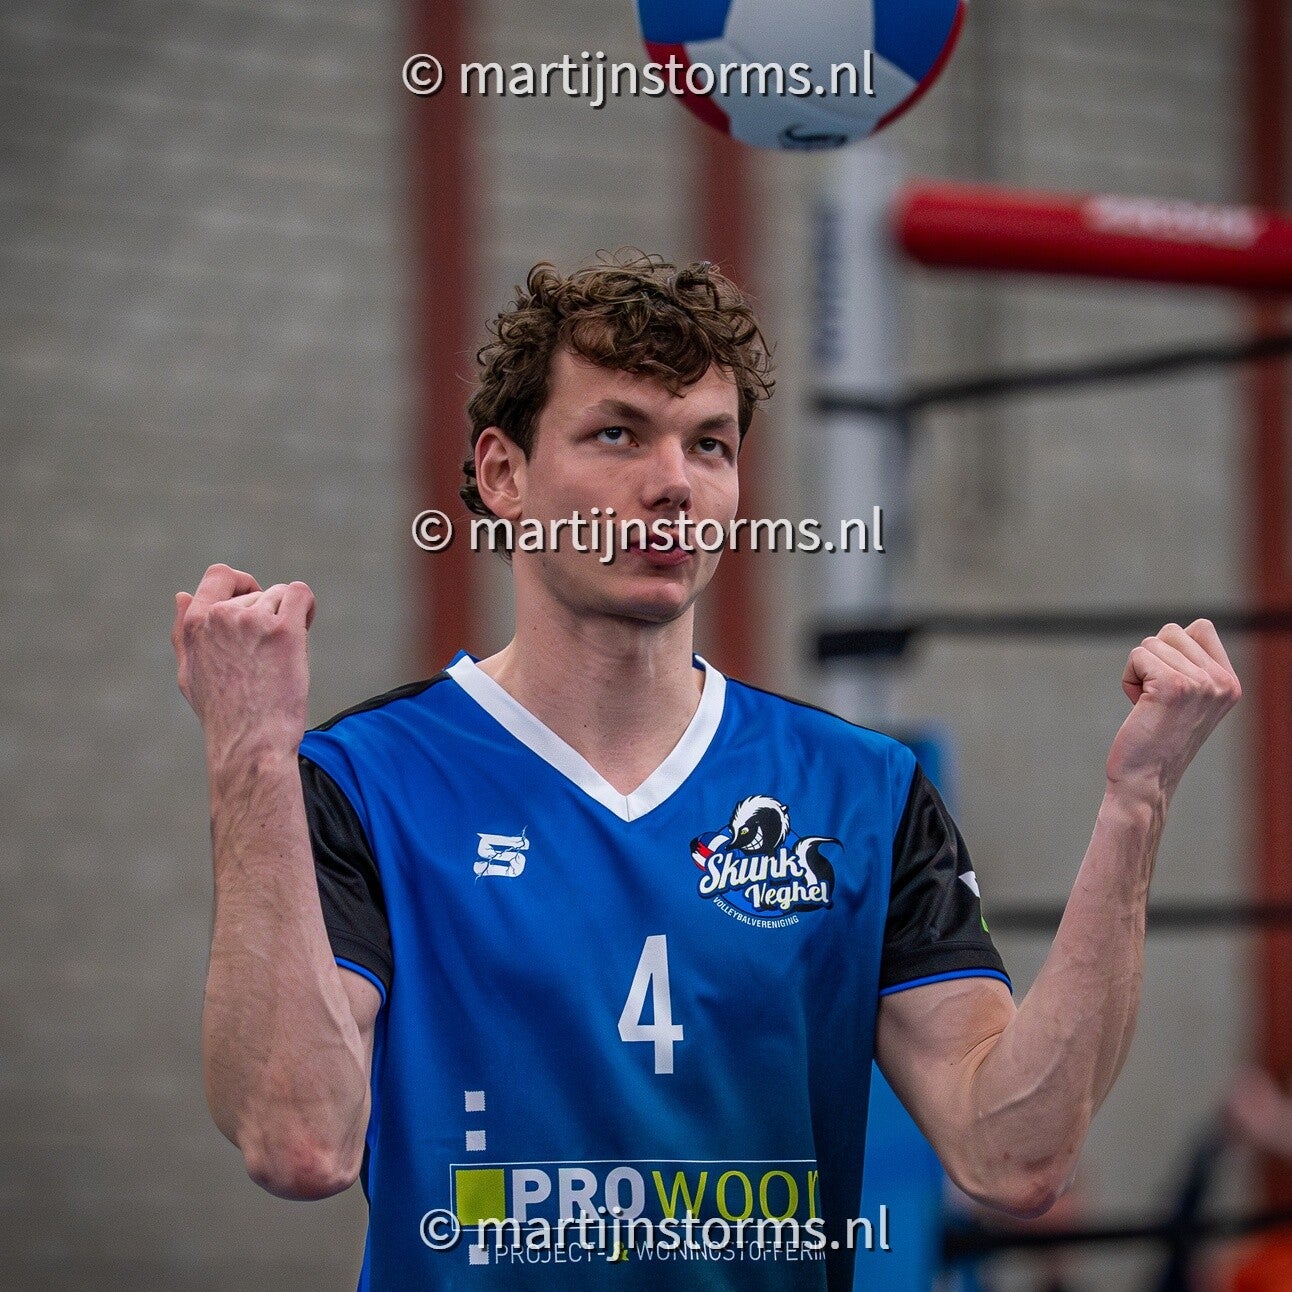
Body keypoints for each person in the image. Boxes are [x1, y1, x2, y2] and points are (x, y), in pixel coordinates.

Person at [171, 252, 1242, 1291]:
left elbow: (1013, 1152)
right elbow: (299, 1138)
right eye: (618, 434)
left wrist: (1138, 801)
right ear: (503, 474)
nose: (673, 483)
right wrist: (249, 752)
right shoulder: (362, 781)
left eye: (710, 445)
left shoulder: (863, 794)